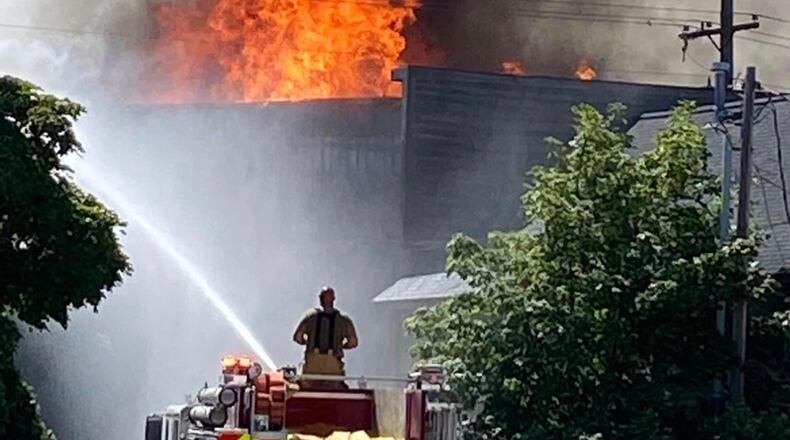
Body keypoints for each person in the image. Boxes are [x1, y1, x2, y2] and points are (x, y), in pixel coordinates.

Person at [292, 286, 358, 382]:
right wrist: (340, 346)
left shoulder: (310, 315)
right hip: (333, 363)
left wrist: (307, 342)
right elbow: (353, 342)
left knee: (309, 389)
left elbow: (297, 337)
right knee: (334, 391)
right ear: (334, 298)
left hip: (313, 362)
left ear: (320, 298)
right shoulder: (344, 320)